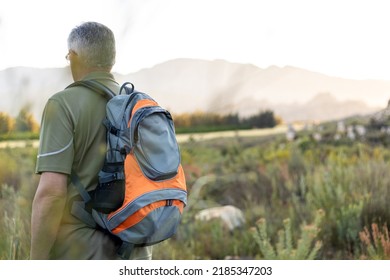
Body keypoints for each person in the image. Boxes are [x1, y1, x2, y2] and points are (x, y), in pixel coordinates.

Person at [31, 21, 152, 260]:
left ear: (74, 57)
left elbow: (51, 194)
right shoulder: (140, 104)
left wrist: (35, 261)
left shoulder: (63, 103)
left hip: (83, 252)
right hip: (138, 250)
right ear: (112, 59)